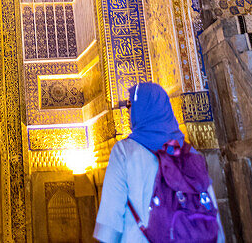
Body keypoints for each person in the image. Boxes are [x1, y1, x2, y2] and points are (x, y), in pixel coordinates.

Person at [93, 82, 224, 243]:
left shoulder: (124, 152)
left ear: (141, 108)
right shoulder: (188, 152)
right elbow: (209, 209)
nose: (128, 111)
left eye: (130, 104)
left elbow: (110, 219)